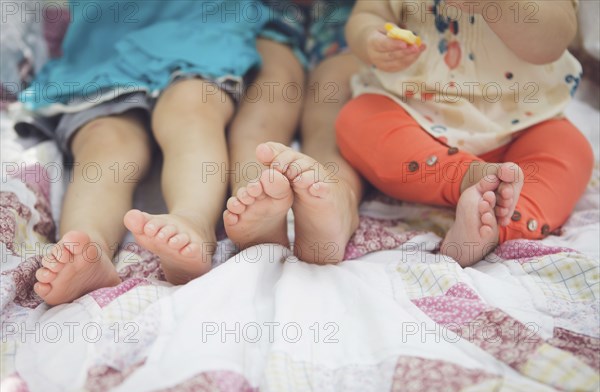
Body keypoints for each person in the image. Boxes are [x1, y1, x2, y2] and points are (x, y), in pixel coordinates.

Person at [16, 0, 283, 305]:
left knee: (191, 111)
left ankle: (193, 220)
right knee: (105, 141)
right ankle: (88, 245)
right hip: (104, 50)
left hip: (200, 32)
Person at [334, 0, 594, 266]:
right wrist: (371, 39)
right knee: (357, 120)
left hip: (523, 121)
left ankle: (494, 225)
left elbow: (551, 42)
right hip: (418, 114)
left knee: (571, 150)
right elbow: (368, 14)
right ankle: (468, 178)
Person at [223, 0, 364, 264]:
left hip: (355, 17)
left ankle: (339, 198)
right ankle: (255, 193)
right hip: (270, 13)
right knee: (271, 86)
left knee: (334, 94)